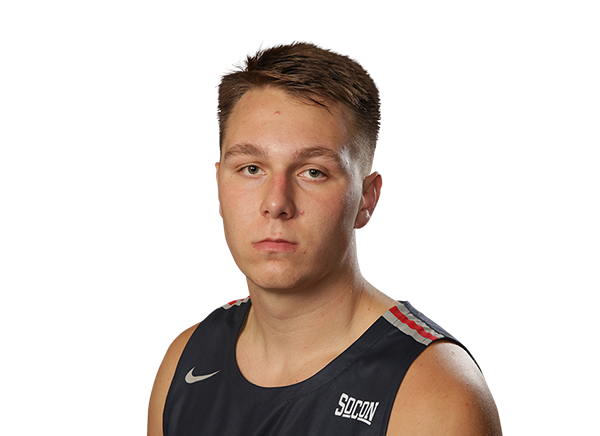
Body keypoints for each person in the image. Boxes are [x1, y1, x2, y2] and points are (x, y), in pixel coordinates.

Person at [148, 41, 500, 435]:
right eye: (251, 168)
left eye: (313, 172)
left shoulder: (431, 388)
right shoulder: (186, 360)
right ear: (218, 186)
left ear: (366, 198)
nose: (276, 203)